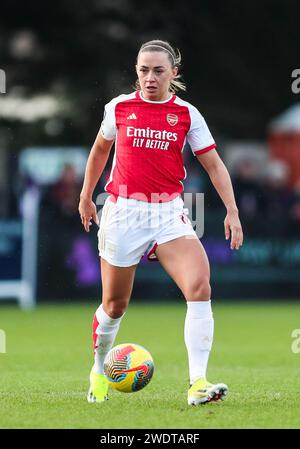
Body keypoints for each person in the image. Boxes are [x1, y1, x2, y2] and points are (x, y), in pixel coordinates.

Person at [78, 39, 243, 405]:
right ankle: (98, 369)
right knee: (115, 305)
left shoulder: (186, 114)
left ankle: (198, 384)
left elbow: (213, 164)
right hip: (123, 212)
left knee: (199, 287)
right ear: (137, 71)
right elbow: (100, 150)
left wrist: (231, 210)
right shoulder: (119, 107)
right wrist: (86, 195)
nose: (149, 78)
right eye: (143, 70)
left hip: (168, 214)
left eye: (158, 71)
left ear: (174, 73)